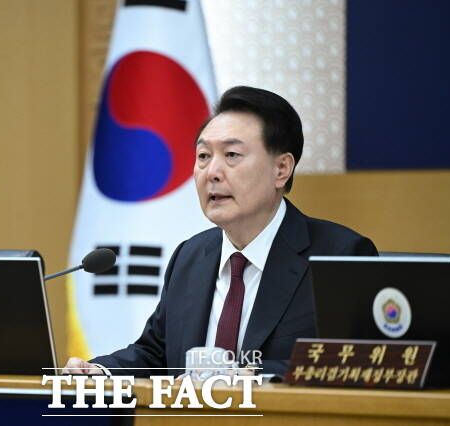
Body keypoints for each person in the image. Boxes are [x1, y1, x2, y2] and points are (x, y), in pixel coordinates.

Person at [64, 86, 378, 376]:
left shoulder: (339, 257)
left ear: (281, 169)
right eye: (203, 156)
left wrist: (251, 377)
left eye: (231, 155)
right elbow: (155, 354)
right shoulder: (190, 257)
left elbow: (353, 362)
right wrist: (100, 371)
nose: (212, 172)